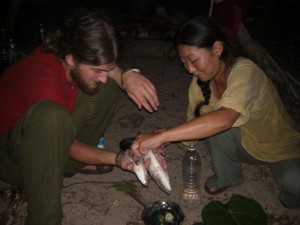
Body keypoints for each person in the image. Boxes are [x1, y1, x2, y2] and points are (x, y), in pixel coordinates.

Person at [0, 8, 157, 225]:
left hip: (53, 142)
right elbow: (65, 142)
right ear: (71, 59)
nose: (103, 77)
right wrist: (118, 158)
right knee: (52, 117)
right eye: (98, 70)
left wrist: (126, 76)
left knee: (108, 87)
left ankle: (74, 164)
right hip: (12, 158)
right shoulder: (44, 83)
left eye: (107, 69)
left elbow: (106, 71)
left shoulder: (69, 54)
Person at [132, 16, 300, 208]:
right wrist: (162, 136)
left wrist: (162, 137)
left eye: (193, 61)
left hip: (277, 145)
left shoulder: (245, 70)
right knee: (210, 123)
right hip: (244, 145)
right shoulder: (199, 83)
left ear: (217, 49)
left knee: (295, 185)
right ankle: (229, 176)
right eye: (184, 63)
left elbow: (226, 118)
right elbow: (193, 125)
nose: (189, 69)